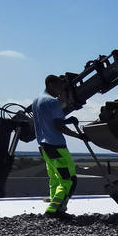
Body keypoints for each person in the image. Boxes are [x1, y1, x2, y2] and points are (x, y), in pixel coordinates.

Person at [31, 74, 86, 217]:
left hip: (43, 147)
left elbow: (49, 121)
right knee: (69, 180)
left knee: (55, 179)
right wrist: (78, 135)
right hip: (57, 147)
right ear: (50, 84)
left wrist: (67, 120)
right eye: (59, 87)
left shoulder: (36, 101)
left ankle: (53, 208)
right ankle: (54, 211)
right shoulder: (53, 102)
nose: (61, 90)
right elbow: (58, 126)